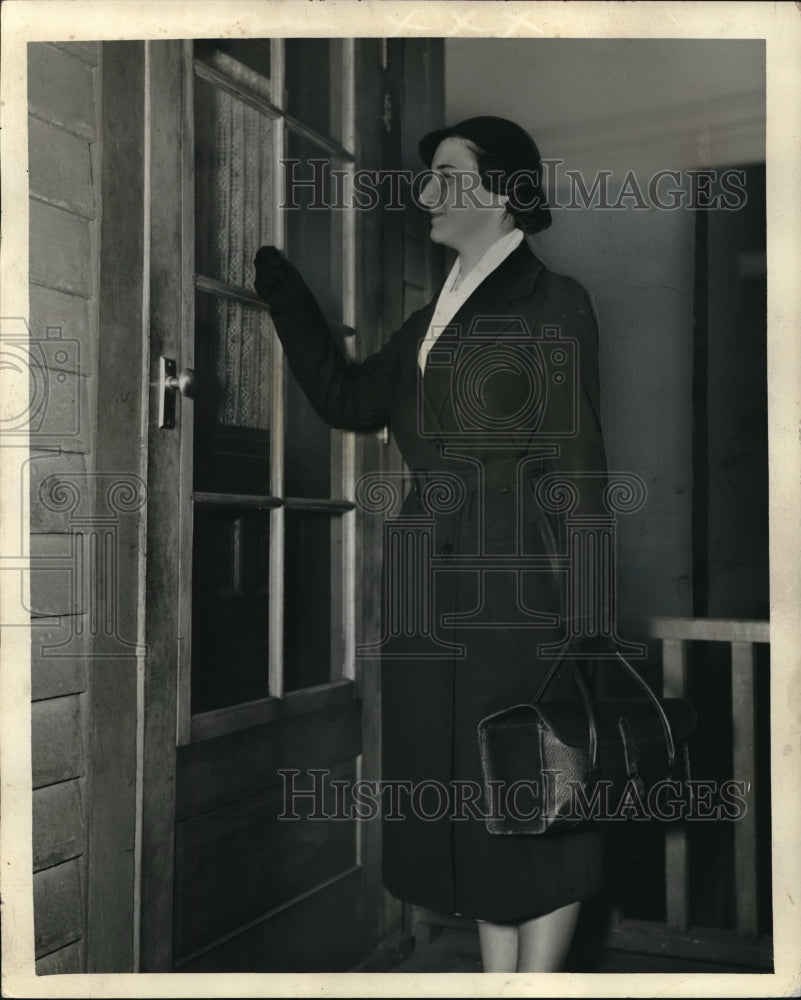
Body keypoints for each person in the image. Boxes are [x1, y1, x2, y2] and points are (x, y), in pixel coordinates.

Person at [254, 116, 609, 973]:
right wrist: (287, 296)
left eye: (446, 176)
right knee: (476, 810)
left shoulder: (551, 303)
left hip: (519, 594)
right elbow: (346, 399)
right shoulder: (427, 322)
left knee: (536, 802)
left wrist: (586, 632)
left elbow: (580, 474)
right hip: (428, 595)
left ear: (500, 191)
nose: (424, 194)